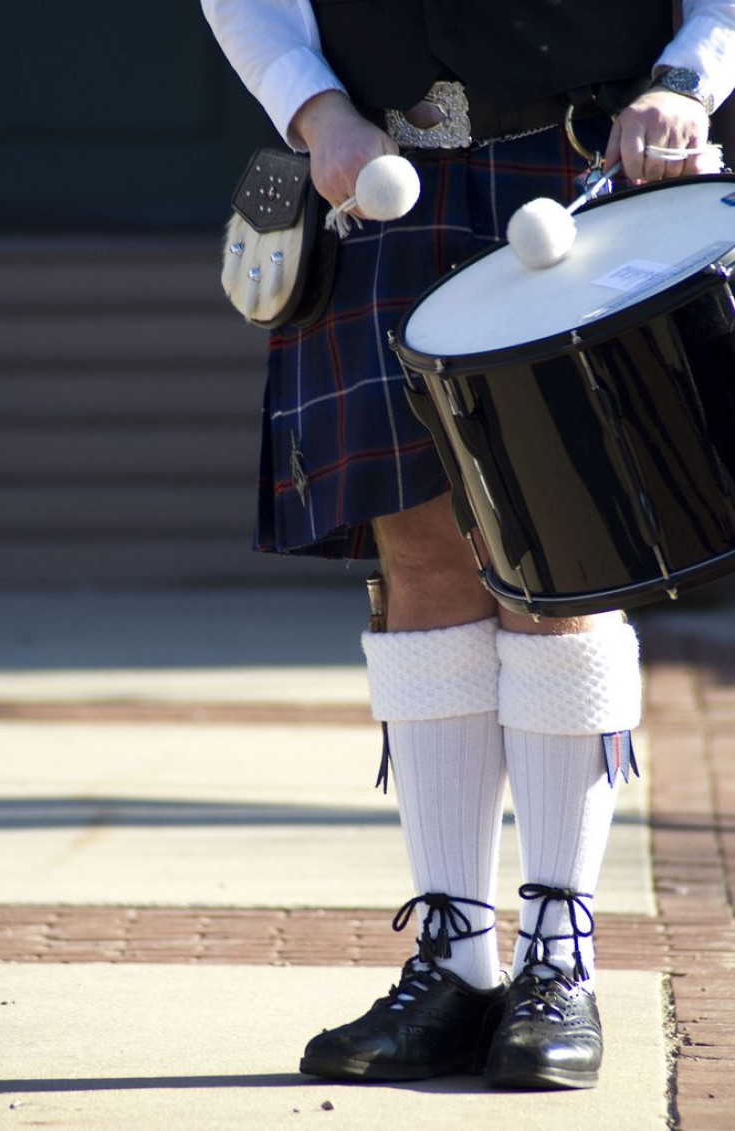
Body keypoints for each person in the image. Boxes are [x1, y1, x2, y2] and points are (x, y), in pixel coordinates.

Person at [201, 0, 735, 1090]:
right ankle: (453, 963)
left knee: (561, 553)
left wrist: (685, 79)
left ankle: (558, 960)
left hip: (581, 166)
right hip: (380, 166)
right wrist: (313, 112)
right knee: (423, 555)